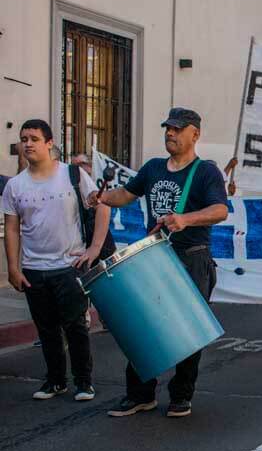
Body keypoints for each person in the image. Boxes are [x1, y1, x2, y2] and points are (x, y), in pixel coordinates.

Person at [88, 107, 228, 418]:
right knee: (144, 323)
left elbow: (220, 210)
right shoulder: (153, 168)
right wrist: (101, 198)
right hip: (156, 256)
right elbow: (126, 193)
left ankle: (181, 395)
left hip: (192, 257)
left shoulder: (205, 171)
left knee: (188, 330)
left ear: (195, 134)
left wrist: (185, 219)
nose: (170, 133)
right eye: (168, 128)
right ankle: (140, 394)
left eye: (178, 129)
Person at [2, 119, 111, 401]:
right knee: (47, 329)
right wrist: (13, 268)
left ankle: (84, 382)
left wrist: (94, 248)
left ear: (49, 144)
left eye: (34, 138)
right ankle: (55, 381)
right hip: (34, 269)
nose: (27, 143)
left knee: (76, 327)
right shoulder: (15, 186)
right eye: (24, 138)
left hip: (69, 266)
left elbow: (103, 207)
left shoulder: (72, 174)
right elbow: (12, 228)